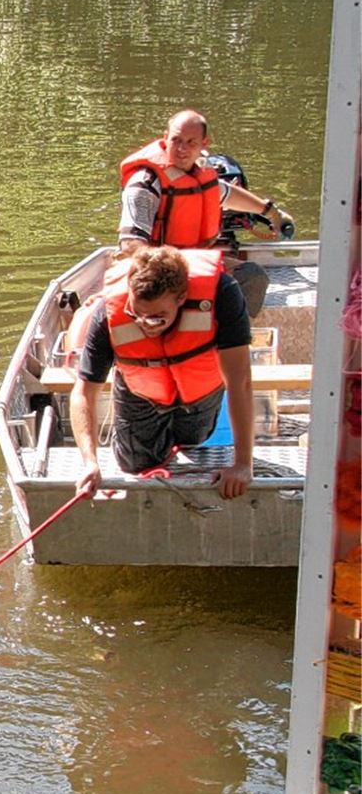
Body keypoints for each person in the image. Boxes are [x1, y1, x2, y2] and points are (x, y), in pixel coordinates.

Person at [71, 245, 254, 501]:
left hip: (200, 390)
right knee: (134, 463)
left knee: (195, 439)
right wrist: (89, 462)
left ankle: (178, 434)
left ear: (180, 299)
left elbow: (240, 382)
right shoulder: (109, 310)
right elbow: (83, 392)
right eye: (137, 315)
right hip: (141, 393)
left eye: (157, 318)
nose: (146, 325)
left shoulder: (223, 294)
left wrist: (243, 464)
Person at [118, 109, 294, 315]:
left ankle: (231, 342)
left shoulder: (198, 173)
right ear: (166, 138)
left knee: (253, 277)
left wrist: (272, 213)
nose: (182, 149)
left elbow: (228, 194)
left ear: (204, 144)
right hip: (154, 269)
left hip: (194, 262)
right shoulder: (144, 183)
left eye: (191, 142)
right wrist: (171, 269)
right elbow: (131, 245)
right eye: (176, 140)